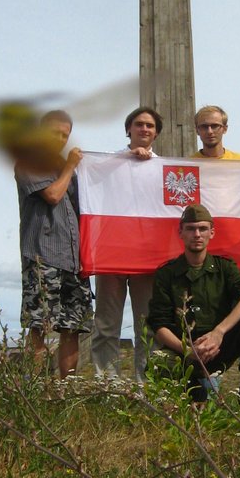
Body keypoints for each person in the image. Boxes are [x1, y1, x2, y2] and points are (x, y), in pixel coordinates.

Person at [147, 204, 240, 401]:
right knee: (157, 364)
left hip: (220, 346)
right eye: (190, 228)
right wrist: (188, 350)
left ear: (212, 232)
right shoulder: (166, 274)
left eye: (202, 228)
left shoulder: (225, 268)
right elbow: (159, 324)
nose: (197, 234)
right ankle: (196, 393)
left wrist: (219, 332)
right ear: (181, 232)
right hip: (185, 350)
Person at [15, 110, 93, 378]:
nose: (60, 139)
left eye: (65, 135)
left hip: (74, 260)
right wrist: (70, 166)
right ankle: (32, 392)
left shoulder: (67, 167)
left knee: (73, 327)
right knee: (40, 325)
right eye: (54, 133)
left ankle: (65, 390)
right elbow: (52, 195)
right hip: (43, 256)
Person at [91, 106, 164, 383]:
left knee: (147, 326)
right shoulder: (110, 162)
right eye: (139, 124)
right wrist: (126, 158)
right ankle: (107, 385)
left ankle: (146, 386)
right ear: (129, 129)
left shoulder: (163, 168)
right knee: (107, 324)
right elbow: (89, 177)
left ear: (156, 133)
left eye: (149, 125)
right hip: (112, 253)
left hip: (147, 257)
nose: (144, 129)